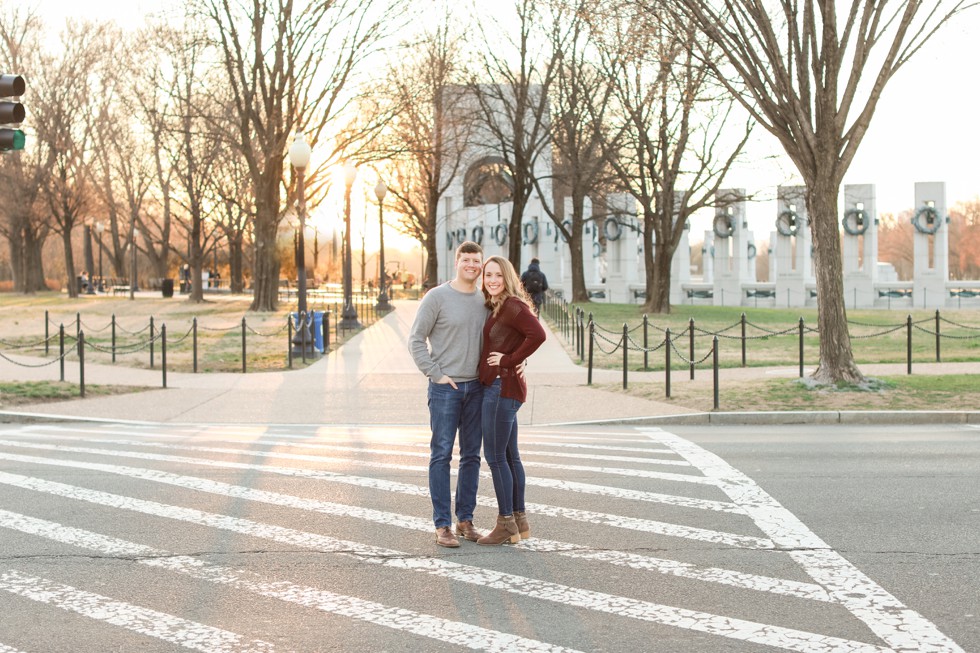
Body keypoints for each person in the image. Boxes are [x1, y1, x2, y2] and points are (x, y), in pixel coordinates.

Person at [408, 241, 489, 548]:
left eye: (476, 260)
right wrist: (436, 374)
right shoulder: (437, 297)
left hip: (477, 388)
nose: (472, 265)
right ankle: (443, 525)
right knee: (441, 455)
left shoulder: (486, 299)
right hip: (445, 389)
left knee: (471, 456)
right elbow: (416, 340)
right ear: (457, 262)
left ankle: (465, 519)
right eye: (467, 259)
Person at [476, 255, 546, 545]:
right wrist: (514, 357)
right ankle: (519, 519)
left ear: (508, 278)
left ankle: (505, 523)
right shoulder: (499, 306)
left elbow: (538, 334)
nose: (492, 280)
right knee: (510, 456)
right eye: (487, 275)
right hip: (506, 388)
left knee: (495, 457)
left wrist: (511, 359)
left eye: (498, 276)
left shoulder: (512, 306)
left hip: (500, 389)